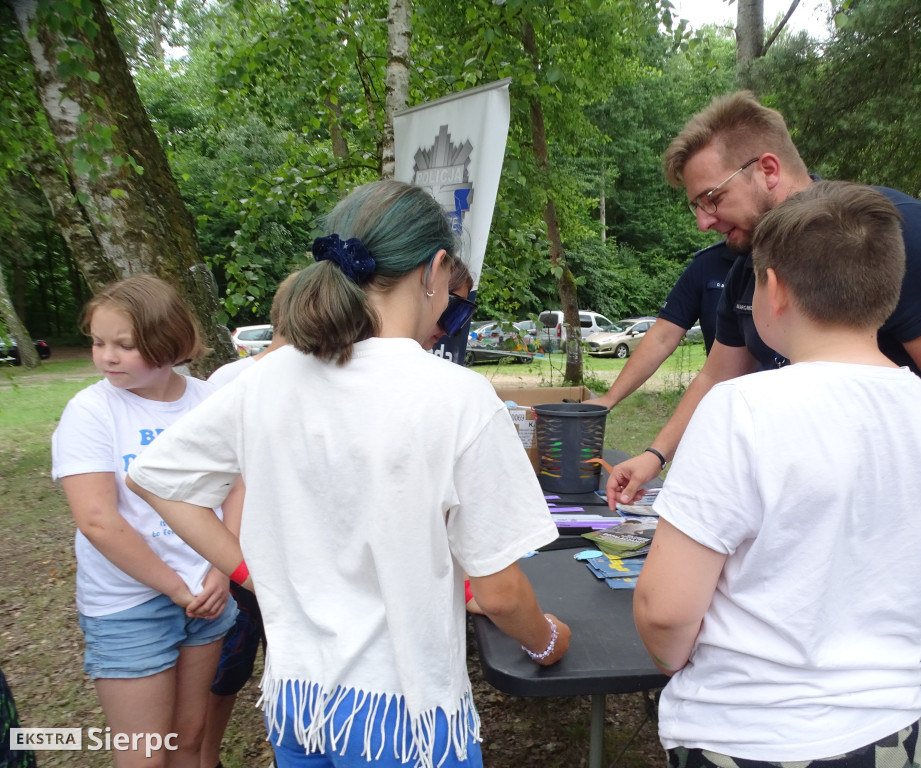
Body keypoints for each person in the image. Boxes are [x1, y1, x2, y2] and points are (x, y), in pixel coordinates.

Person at [609, 91, 921, 768]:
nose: (706, 220)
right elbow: (718, 375)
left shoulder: (894, 231)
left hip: (918, 500)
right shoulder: (749, 260)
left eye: (711, 198)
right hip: (822, 501)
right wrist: (654, 453)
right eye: (695, 206)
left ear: (766, 169)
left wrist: (826, 451)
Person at [124, 179, 571, 768]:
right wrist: (546, 640)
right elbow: (499, 590)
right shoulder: (457, 396)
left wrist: (248, 571)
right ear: (435, 270)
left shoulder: (269, 377)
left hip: (299, 702)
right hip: (406, 716)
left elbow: (154, 478)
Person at [50, 274, 237, 768]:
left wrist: (222, 572)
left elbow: (239, 488)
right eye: (97, 342)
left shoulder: (209, 401)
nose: (106, 356)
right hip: (130, 604)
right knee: (146, 754)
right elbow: (97, 520)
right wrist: (177, 588)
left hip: (208, 594)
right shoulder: (91, 411)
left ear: (169, 342)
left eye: (124, 345)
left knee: (190, 743)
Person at [200, 272, 298, 768]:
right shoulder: (230, 380)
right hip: (236, 555)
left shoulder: (319, 378)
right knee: (225, 671)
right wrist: (226, 565)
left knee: (284, 659)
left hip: (290, 553)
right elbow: (207, 478)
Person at [590, 245, 734, 410]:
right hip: (725, 406)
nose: (704, 225)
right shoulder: (708, 262)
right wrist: (609, 399)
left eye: (713, 216)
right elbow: (663, 337)